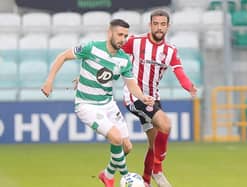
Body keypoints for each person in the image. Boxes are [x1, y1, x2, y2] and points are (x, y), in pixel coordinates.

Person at [41, 19, 154, 187]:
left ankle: (107, 174)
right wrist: (49, 81)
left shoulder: (124, 60)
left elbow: (131, 85)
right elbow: (63, 56)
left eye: (126, 36)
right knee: (116, 137)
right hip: (86, 105)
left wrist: (143, 97)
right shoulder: (91, 48)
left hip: (108, 104)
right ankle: (126, 177)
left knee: (127, 147)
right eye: (120, 35)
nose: (123, 39)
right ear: (110, 33)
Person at [121, 9, 197, 187]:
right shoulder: (136, 42)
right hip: (134, 96)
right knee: (166, 124)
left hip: (153, 98)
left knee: (154, 144)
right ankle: (157, 169)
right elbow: (113, 51)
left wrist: (189, 86)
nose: (159, 27)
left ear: (168, 27)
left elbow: (179, 71)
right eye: (155, 24)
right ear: (150, 25)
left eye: (163, 24)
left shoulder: (170, 51)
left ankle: (146, 181)